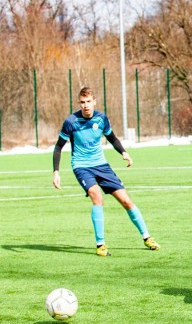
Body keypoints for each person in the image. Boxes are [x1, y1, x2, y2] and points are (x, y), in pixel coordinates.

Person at [52, 86, 160, 257]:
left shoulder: (102, 119)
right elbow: (58, 147)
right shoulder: (71, 122)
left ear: (94, 101)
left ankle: (147, 237)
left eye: (88, 101)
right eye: (82, 102)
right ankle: (100, 244)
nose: (85, 105)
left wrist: (124, 153)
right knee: (97, 197)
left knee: (126, 201)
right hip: (81, 166)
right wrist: (56, 172)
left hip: (102, 165)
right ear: (79, 103)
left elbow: (112, 138)